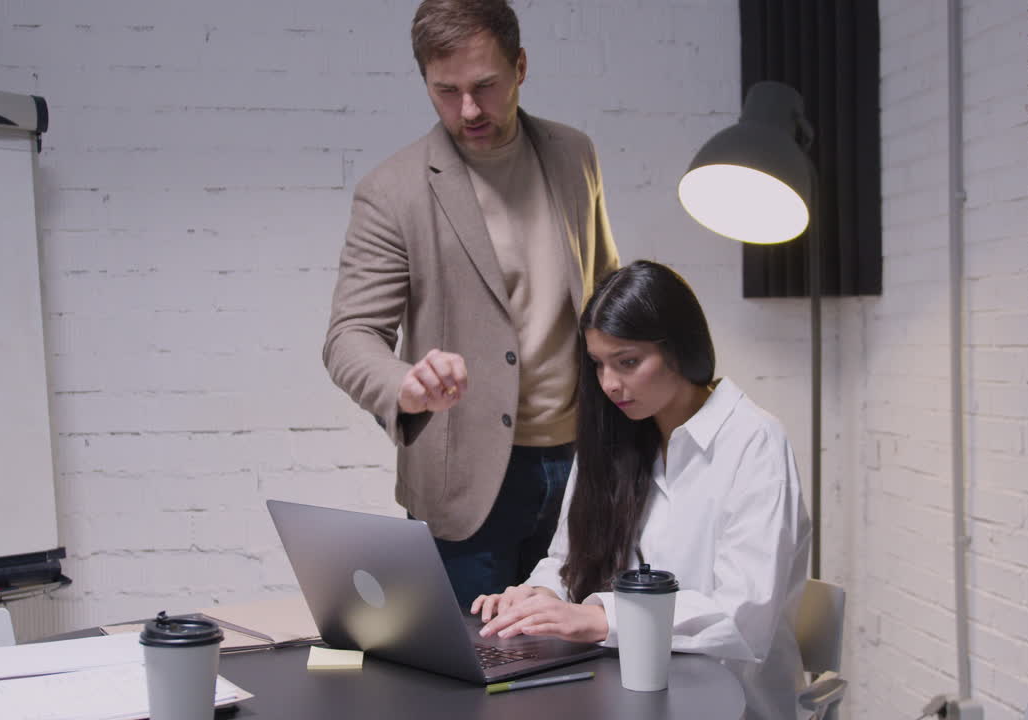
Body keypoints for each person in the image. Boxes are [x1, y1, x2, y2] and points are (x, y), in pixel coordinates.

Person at [323, 0, 619, 607]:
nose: (468, 110)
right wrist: (404, 384)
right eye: (445, 91)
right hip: (463, 482)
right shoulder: (391, 191)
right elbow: (349, 336)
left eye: (485, 85)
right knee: (472, 684)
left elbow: (605, 293)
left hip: (580, 466)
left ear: (520, 66)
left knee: (577, 676)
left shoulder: (574, 156)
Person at [471, 260, 812, 720]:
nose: (610, 384)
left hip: (732, 704)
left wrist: (603, 619)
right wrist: (538, 597)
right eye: (598, 365)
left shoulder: (753, 442)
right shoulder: (614, 439)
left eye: (628, 362)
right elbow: (566, 561)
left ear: (680, 348)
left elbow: (743, 616)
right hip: (622, 696)